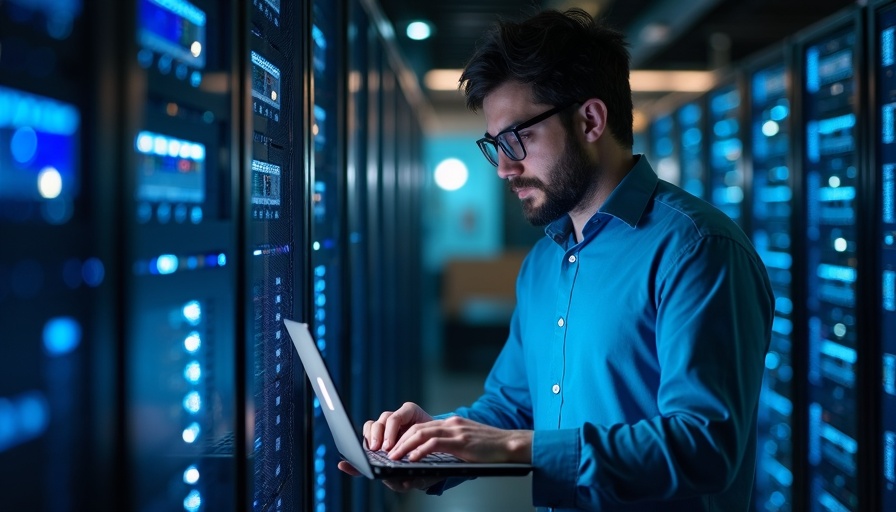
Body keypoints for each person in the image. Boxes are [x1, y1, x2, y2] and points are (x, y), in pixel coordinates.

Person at [339, 8, 774, 511]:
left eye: (516, 139)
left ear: (590, 119)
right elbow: (513, 405)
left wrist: (512, 447)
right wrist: (433, 445)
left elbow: (704, 448)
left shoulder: (697, 249)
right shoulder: (544, 263)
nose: (504, 167)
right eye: (493, 145)